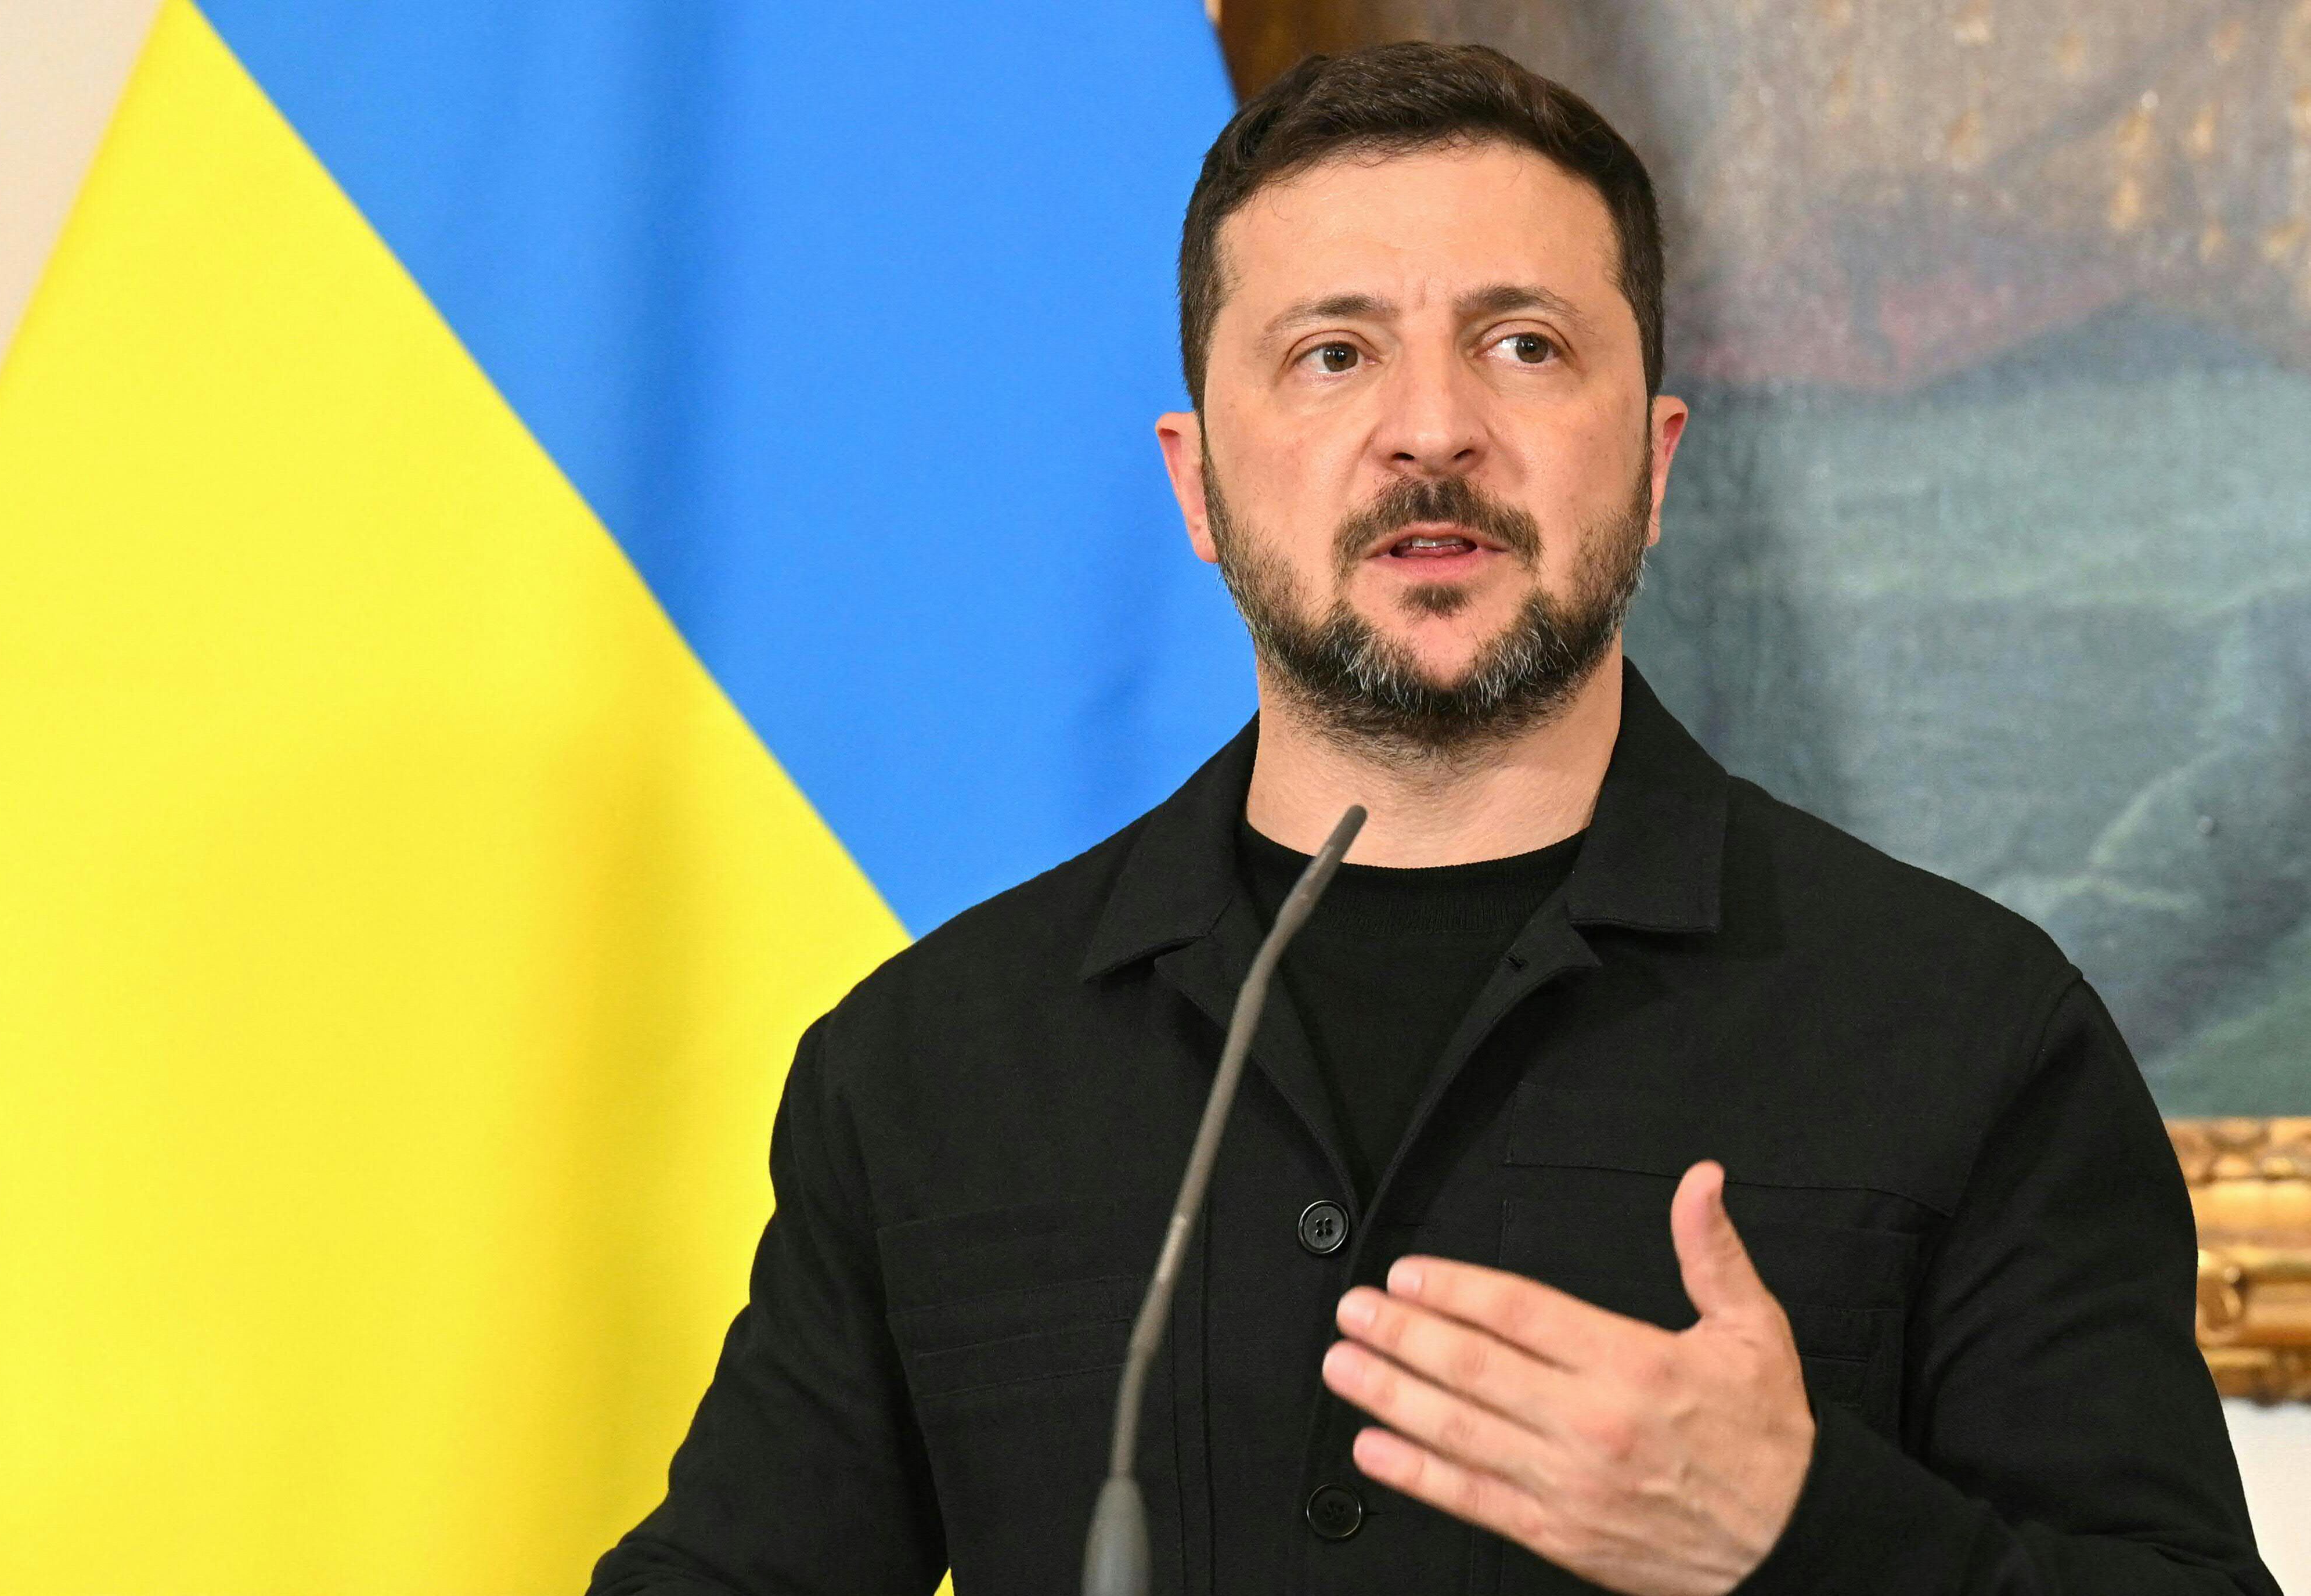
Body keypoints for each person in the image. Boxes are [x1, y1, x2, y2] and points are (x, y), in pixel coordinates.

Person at [587, 43, 2274, 1596]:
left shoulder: (1964, 1031)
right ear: (1195, 482)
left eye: (1522, 345)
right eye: (1332, 354)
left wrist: (1805, 1536)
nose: (1431, 428)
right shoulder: (933, 1065)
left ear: (1660, 460)